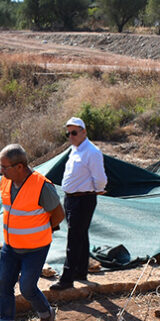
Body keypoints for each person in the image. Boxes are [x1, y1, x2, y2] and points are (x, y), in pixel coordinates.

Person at [0, 144, 65, 321]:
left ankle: (46, 314)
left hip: (35, 248)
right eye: (0, 166)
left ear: (20, 167)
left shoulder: (42, 186)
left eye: (5, 167)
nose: (1, 170)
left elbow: (58, 214)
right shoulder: (5, 182)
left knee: (27, 287)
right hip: (11, 246)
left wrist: (44, 229)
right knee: (3, 284)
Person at [50, 117, 107, 291]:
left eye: (74, 132)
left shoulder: (92, 152)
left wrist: (95, 189)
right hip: (72, 197)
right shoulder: (75, 150)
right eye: (68, 133)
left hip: (83, 198)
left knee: (74, 237)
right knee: (80, 235)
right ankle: (81, 271)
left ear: (84, 132)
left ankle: (67, 278)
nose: (71, 136)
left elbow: (100, 178)